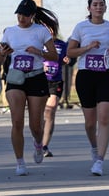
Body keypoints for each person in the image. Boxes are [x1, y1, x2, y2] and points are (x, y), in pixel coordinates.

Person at [0, 0, 59, 176]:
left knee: (35, 126)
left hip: (36, 77)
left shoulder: (41, 31)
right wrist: (2, 53)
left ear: (32, 15)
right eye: (19, 14)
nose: (21, 18)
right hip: (15, 78)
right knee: (17, 121)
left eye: (25, 15)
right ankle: (20, 162)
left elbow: (54, 56)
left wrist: (38, 52)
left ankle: (39, 144)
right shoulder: (9, 32)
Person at [67, 0, 109, 176]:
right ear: (89, 8)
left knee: (104, 117)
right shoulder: (81, 27)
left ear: (105, 8)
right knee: (90, 123)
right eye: (95, 4)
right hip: (85, 76)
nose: (98, 7)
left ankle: (99, 160)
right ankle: (94, 146)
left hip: (105, 74)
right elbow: (70, 51)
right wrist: (87, 47)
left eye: (101, 4)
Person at [41, 29, 73, 157]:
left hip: (55, 81)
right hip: (39, 81)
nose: (50, 32)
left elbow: (68, 58)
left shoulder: (62, 45)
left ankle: (44, 146)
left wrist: (67, 60)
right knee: (39, 114)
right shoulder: (38, 43)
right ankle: (38, 140)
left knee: (50, 110)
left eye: (52, 29)